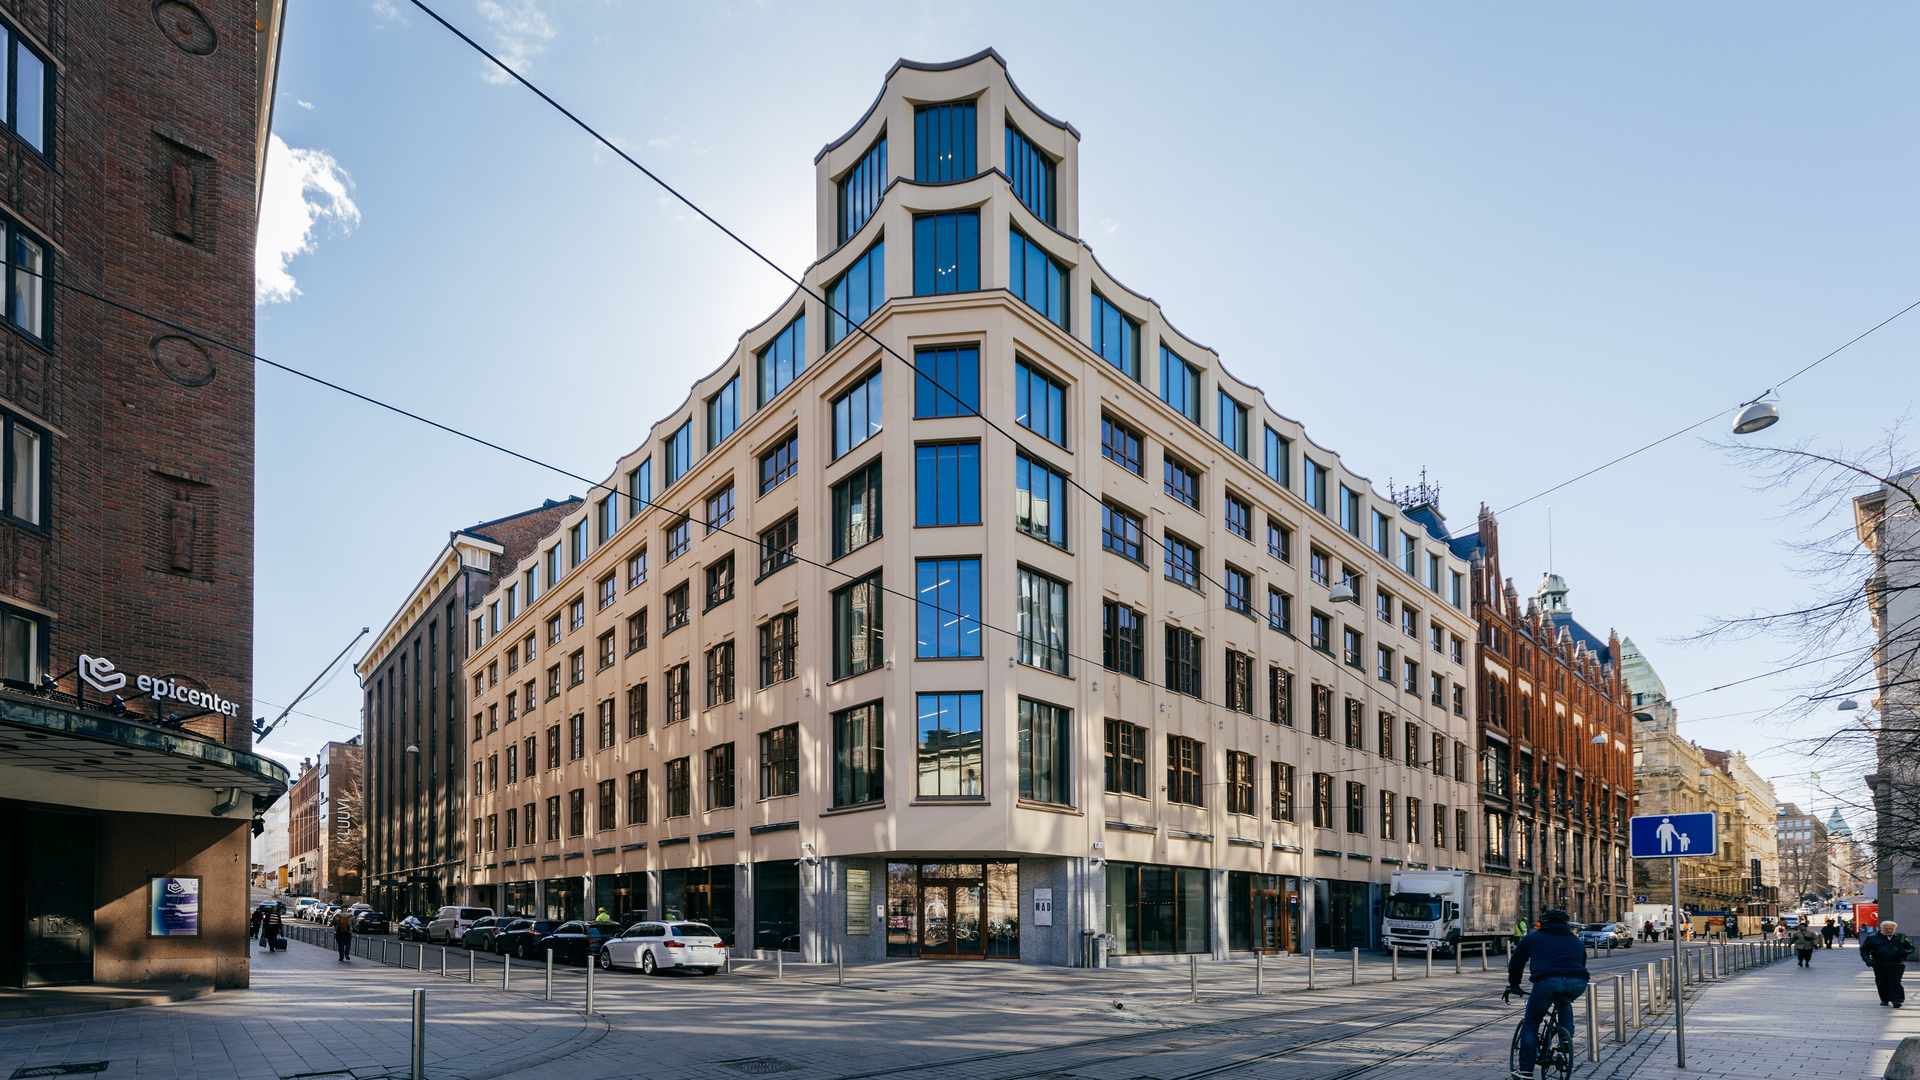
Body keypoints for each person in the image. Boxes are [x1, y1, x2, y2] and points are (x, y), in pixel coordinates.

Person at [1505, 909, 1589, 1080]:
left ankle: (1525, 1070)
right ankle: (1566, 1037)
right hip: (1578, 982)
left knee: (1531, 1023)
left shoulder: (1531, 938)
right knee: (1564, 1000)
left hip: (1546, 981)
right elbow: (1581, 963)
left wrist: (1514, 985)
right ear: (1566, 923)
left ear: (1543, 921)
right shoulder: (1576, 940)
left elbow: (1516, 963)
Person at [1862, 920, 1915, 1007]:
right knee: (1881, 982)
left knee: (1894, 981)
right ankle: (1885, 999)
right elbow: (1864, 950)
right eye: (1886, 929)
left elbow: (1911, 948)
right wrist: (1867, 960)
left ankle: (1896, 1000)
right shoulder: (1872, 938)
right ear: (1881, 928)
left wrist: (1905, 951)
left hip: (1897, 963)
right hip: (1880, 964)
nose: (1889, 930)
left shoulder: (1901, 937)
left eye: (1891, 929)